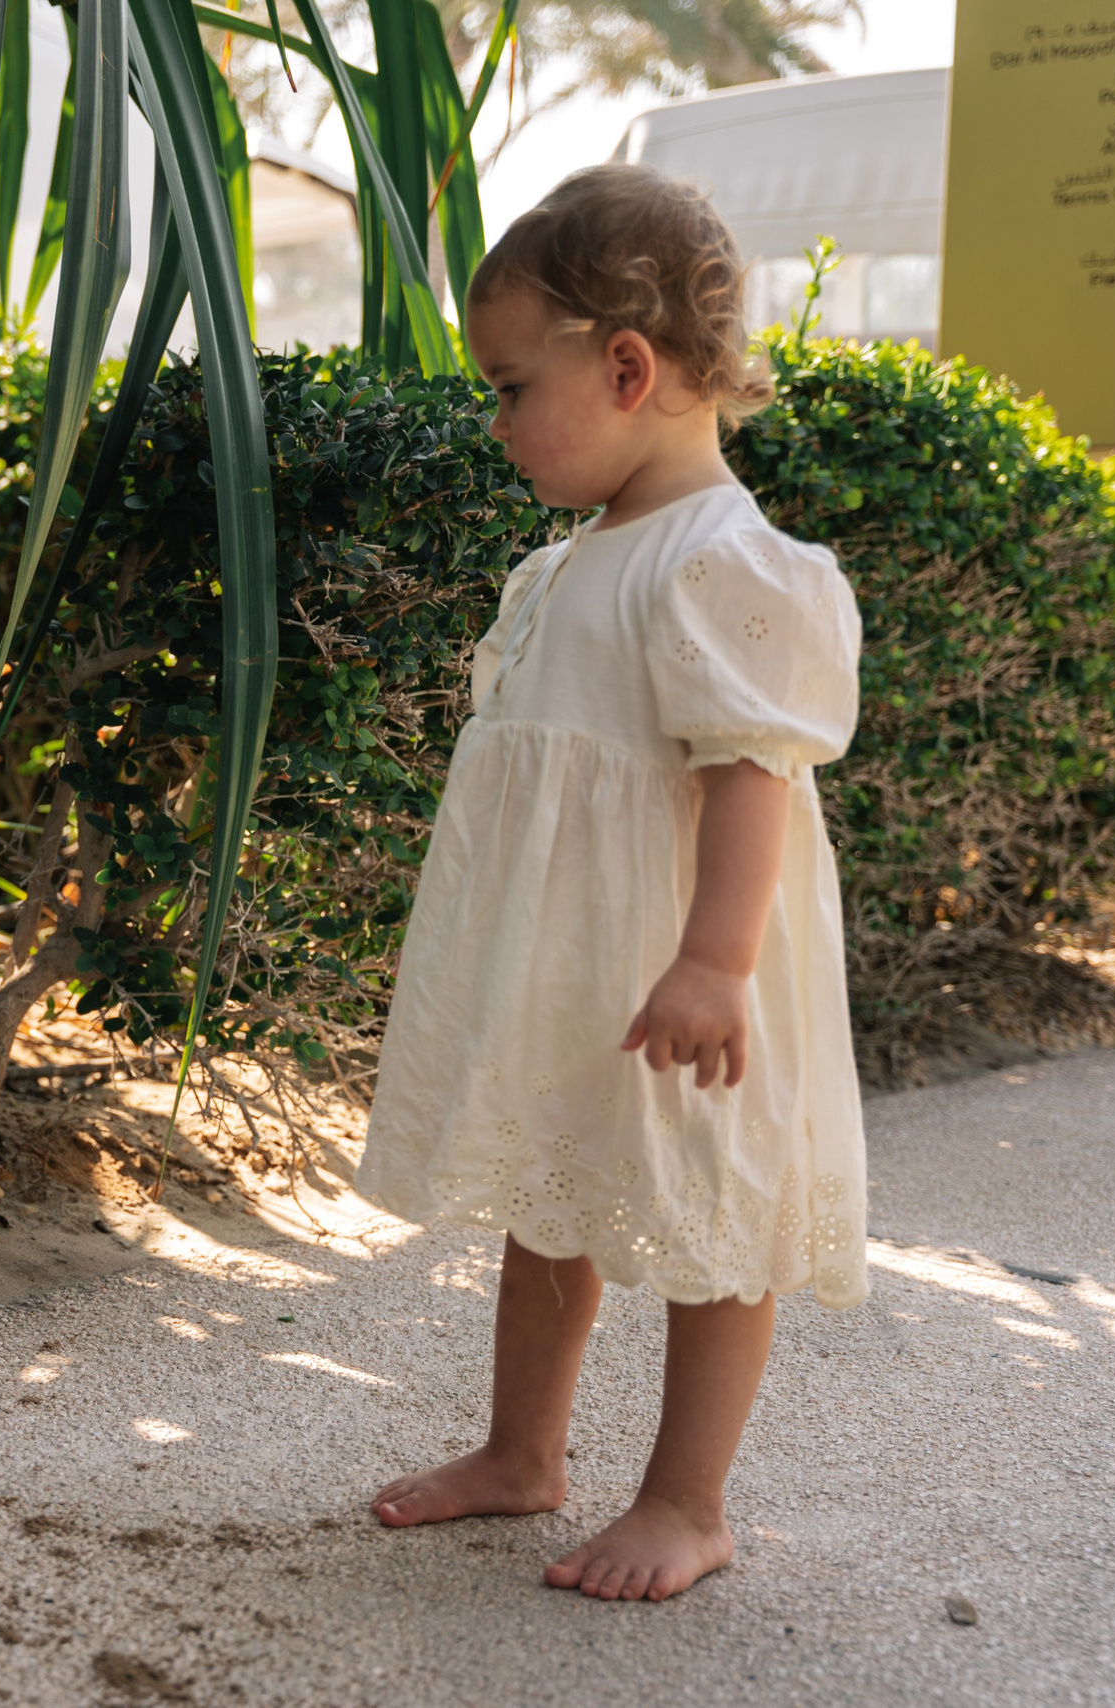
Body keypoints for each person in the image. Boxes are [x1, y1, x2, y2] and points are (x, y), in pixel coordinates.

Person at [356, 164, 867, 1601]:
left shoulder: (720, 564)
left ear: (628, 366)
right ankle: (525, 1451)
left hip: (688, 972)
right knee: (553, 1190)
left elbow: (753, 773)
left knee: (717, 1214)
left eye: (512, 387)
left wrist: (713, 959)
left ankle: (688, 1502)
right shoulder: (575, 559)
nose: (499, 420)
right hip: (579, 970)